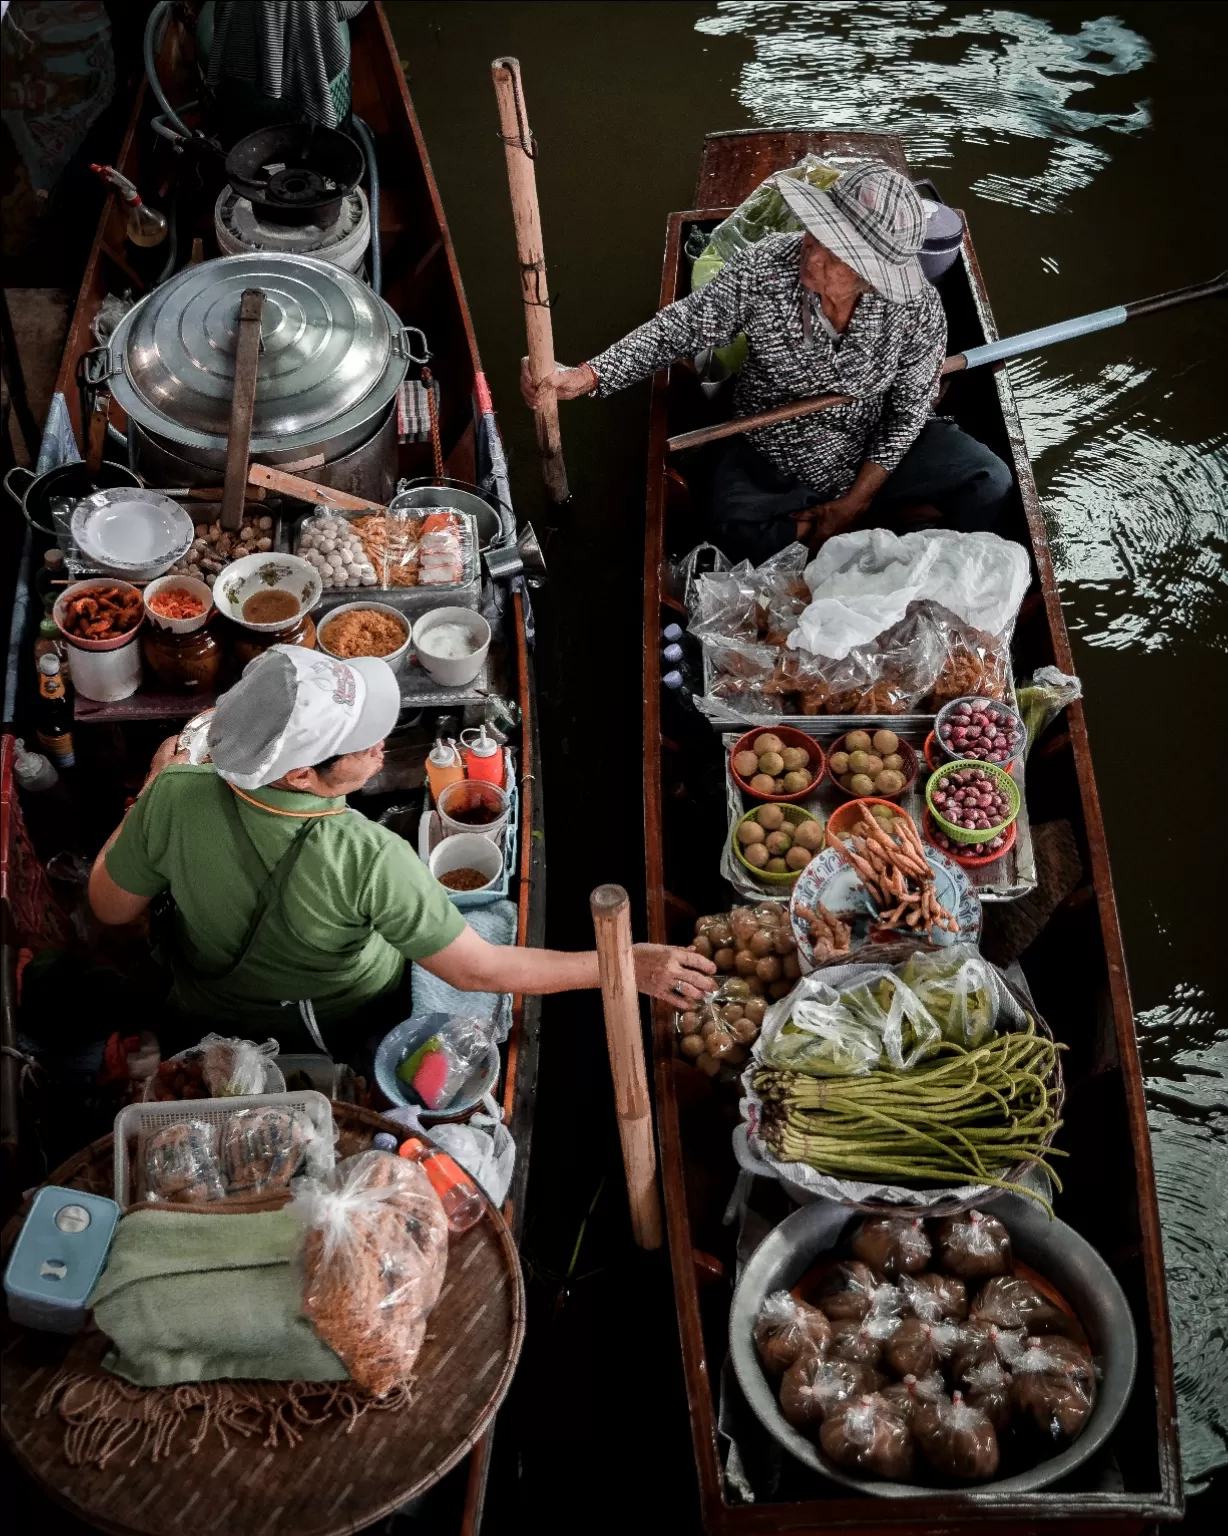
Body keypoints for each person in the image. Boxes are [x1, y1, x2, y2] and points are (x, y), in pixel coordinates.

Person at [88, 647, 715, 1057]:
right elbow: (479, 971)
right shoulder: (371, 857)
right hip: (336, 1022)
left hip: (204, 1011)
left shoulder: (174, 795)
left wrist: (151, 785)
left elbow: (110, 908)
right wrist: (624, 964)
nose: (382, 747)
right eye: (363, 744)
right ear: (303, 775)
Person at [521, 164, 1014, 564]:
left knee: (989, 481)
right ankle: (869, 530)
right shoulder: (768, 265)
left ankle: (848, 525)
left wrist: (856, 500)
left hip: (871, 447)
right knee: (728, 528)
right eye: (815, 232)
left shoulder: (918, 312)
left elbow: (906, 416)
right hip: (773, 445)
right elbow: (682, 326)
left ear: (874, 276)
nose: (809, 249)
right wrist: (586, 375)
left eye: (834, 251)